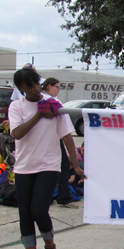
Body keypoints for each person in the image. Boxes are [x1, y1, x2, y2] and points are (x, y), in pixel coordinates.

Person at [8, 67, 83, 249]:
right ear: (21, 89)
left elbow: (67, 135)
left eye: (35, 84)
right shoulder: (17, 107)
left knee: (39, 209)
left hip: (49, 165)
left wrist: (75, 164)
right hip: (24, 166)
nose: (34, 89)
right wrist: (39, 115)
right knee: (25, 214)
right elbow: (17, 133)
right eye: (28, 87)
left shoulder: (54, 105)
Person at [42, 77, 78, 208]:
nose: (58, 90)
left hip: (44, 140)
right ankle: (64, 197)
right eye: (57, 87)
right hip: (54, 139)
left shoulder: (36, 100)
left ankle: (50, 196)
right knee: (62, 166)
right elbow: (66, 132)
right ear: (49, 86)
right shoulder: (53, 101)